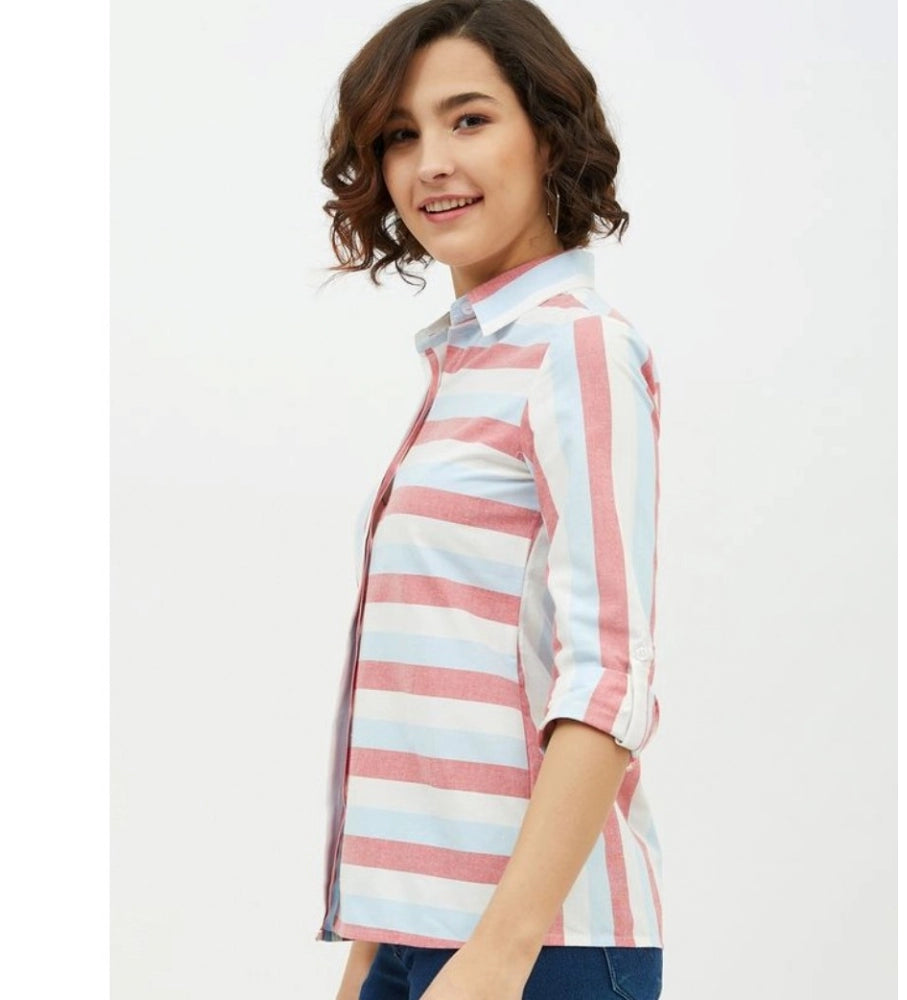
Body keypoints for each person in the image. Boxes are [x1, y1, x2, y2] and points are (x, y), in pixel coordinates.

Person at [316, 2, 664, 997]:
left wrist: (499, 954)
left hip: (533, 951)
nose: (431, 162)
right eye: (400, 135)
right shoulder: (467, 363)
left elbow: (608, 675)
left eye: (468, 119)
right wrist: (373, 954)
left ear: (547, 133)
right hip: (414, 936)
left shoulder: (577, 348)